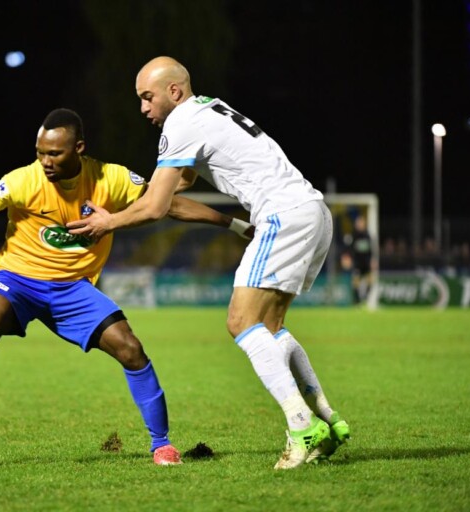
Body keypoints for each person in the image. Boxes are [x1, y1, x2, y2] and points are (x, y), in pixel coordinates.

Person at [0, 108, 246, 465]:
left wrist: (236, 226)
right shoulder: (24, 180)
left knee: (130, 348)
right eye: (40, 152)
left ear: (79, 148)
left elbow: (168, 205)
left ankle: (162, 445)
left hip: (73, 288)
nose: (45, 161)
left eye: (54, 153)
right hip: (18, 279)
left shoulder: (112, 179)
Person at [67, 57, 350, 469]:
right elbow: (172, 192)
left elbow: (157, 205)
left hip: (282, 215)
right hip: (311, 212)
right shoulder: (207, 110)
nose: (144, 108)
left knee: (241, 322)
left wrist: (109, 222)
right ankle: (327, 418)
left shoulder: (179, 124)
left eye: (148, 97)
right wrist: (233, 224)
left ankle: (302, 425)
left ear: (174, 92)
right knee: (270, 328)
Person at [348, 214, 375, 304]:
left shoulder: (367, 235)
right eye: (358, 223)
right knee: (356, 281)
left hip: (366, 263)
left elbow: (371, 250)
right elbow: (350, 249)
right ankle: (357, 301)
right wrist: (349, 258)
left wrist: (372, 260)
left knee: (370, 280)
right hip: (357, 263)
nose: (359, 224)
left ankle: (365, 297)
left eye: (361, 222)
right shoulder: (354, 235)